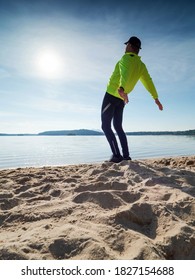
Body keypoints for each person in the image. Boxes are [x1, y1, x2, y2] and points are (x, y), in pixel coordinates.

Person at [101, 36, 163, 163]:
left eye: (126, 45)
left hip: (113, 95)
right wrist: (155, 97)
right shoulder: (141, 65)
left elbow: (125, 72)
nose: (125, 47)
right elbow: (148, 81)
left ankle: (117, 155)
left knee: (105, 126)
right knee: (118, 126)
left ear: (129, 45)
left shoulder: (125, 58)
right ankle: (126, 156)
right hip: (122, 99)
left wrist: (121, 88)